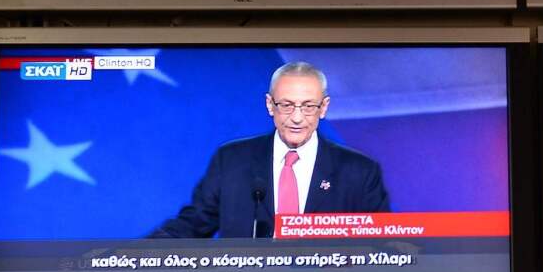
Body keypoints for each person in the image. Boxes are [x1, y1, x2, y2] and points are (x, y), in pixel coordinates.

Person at [150, 62, 389, 239]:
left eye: (308, 107)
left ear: (324, 107)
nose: (296, 118)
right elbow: (192, 225)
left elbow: (383, 247)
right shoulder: (232, 160)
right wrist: (131, 256)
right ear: (269, 105)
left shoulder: (359, 172)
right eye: (286, 105)